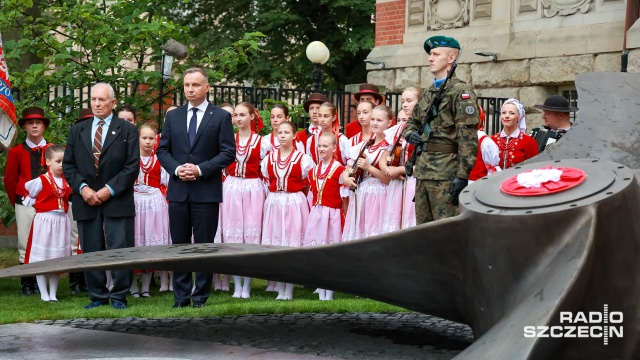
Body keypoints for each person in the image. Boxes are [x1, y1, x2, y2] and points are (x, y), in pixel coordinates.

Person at [156, 67, 235, 309]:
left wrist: (200, 169)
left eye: (195, 85)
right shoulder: (174, 116)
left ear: (207, 87)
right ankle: (180, 297)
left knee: (204, 245)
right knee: (179, 245)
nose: (190, 89)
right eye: (187, 85)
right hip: (179, 190)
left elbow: (228, 153)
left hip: (206, 191)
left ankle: (200, 296)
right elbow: (163, 150)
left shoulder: (220, 116)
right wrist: (178, 170)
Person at [63, 83, 140, 310]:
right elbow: (68, 166)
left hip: (117, 199)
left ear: (113, 103)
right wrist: (83, 188)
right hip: (86, 199)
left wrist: (109, 190)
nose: (97, 104)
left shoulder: (127, 130)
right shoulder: (78, 131)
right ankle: (97, 296)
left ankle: (119, 297)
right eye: (93, 99)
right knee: (91, 249)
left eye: (102, 100)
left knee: (120, 248)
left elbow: (132, 166)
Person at [402, 35, 479, 224]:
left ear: (451, 58)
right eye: (430, 54)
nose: (430, 58)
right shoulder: (428, 92)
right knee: (423, 229)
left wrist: (462, 176)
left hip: (446, 173)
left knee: (445, 229)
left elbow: (467, 140)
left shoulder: (461, 93)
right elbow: (412, 122)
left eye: (436, 54)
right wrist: (410, 134)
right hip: (423, 172)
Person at [219, 102, 270, 299]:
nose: (238, 119)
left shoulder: (262, 142)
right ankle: (236, 284)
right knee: (232, 235)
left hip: (252, 187)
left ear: (252, 117)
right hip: (232, 186)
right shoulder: (229, 139)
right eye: (235, 115)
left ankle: (246, 284)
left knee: (250, 234)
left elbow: (267, 168)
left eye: (242, 115)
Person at [261, 121, 314, 300]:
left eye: (286, 132)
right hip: (275, 201)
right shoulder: (269, 159)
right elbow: (267, 178)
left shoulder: (303, 159)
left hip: (293, 202)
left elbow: (309, 182)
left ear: (294, 136)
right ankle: (279, 286)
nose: (282, 135)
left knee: (290, 244)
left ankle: (289, 289)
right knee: (277, 244)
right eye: (280, 133)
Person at [4, 106, 50, 296]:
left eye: (38, 122)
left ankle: (41, 281)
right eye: (30, 123)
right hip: (24, 202)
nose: (34, 126)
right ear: (24, 127)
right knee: (25, 242)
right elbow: (10, 180)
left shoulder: (52, 149)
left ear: (43, 126)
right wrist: (17, 200)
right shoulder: (16, 152)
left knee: (45, 242)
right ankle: (27, 283)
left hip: (47, 203)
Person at [23, 144, 71, 302]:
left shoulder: (66, 181)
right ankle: (44, 293)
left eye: (64, 161)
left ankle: (53, 293)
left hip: (61, 222)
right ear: (48, 162)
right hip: (45, 222)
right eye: (58, 161)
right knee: (43, 258)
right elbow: (30, 198)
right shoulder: (41, 180)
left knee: (56, 257)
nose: (62, 165)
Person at [130, 123, 171, 298]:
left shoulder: (159, 160)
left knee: (149, 243)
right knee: (135, 242)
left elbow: (166, 182)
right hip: (136, 202)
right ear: (138, 139)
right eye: (144, 138)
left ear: (156, 140)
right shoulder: (131, 159)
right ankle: (133, 286)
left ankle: (145, 287)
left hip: (153, 204)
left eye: (151, 138)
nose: (147, 142)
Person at [304, 132, 345, 301]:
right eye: (319, 145)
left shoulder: (340, 170)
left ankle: (330, 289)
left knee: (331, 251)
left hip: (332, 214)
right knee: (318, 251)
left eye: (325, 146)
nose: (321, 149)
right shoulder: (312, 171)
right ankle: (321, 287)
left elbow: (345, 196)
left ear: (334, 148)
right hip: (318, 213)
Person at [342, 105, 392, 241]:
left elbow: (389, 180)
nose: (375, 123)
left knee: (376, 233)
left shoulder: (391, 147)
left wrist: (369, 167)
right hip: (363, 193)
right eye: (373, 119)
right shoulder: (365, 145)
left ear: (389, 123)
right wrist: (346, 179)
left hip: (381, 195)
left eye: (379, 120)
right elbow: (347, 170)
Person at [68, 109, 94, 295]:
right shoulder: (75, 142)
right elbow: (69, 168)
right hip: (78, 196)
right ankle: (75, 280)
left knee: (92, 242)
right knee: (74, 241)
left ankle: (89, 279)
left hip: (99, 196)